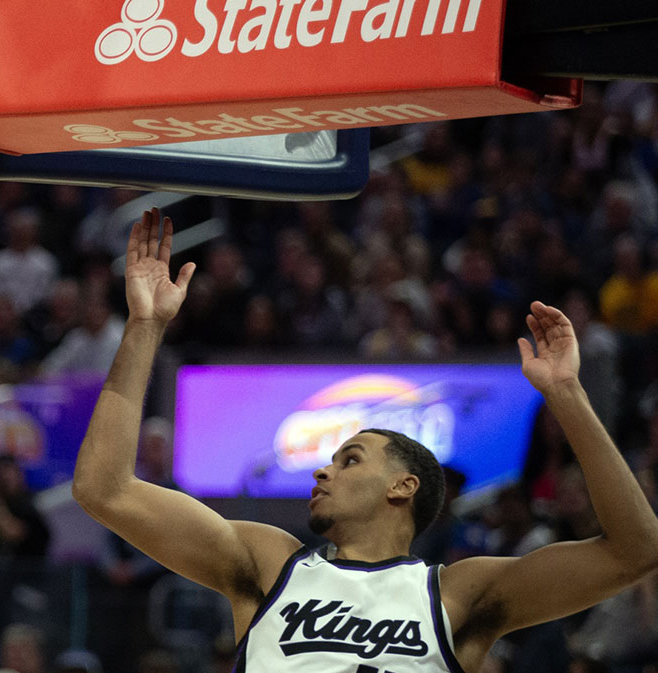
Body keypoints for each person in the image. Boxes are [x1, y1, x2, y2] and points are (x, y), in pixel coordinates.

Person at [72, 208, 658, 672]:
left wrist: (566, 394)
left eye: (349, 459)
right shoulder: (270, 565)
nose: (322, 473)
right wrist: (144, 328)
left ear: (403, 486)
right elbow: (105, 490)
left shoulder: (458, 593)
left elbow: (636, 551)